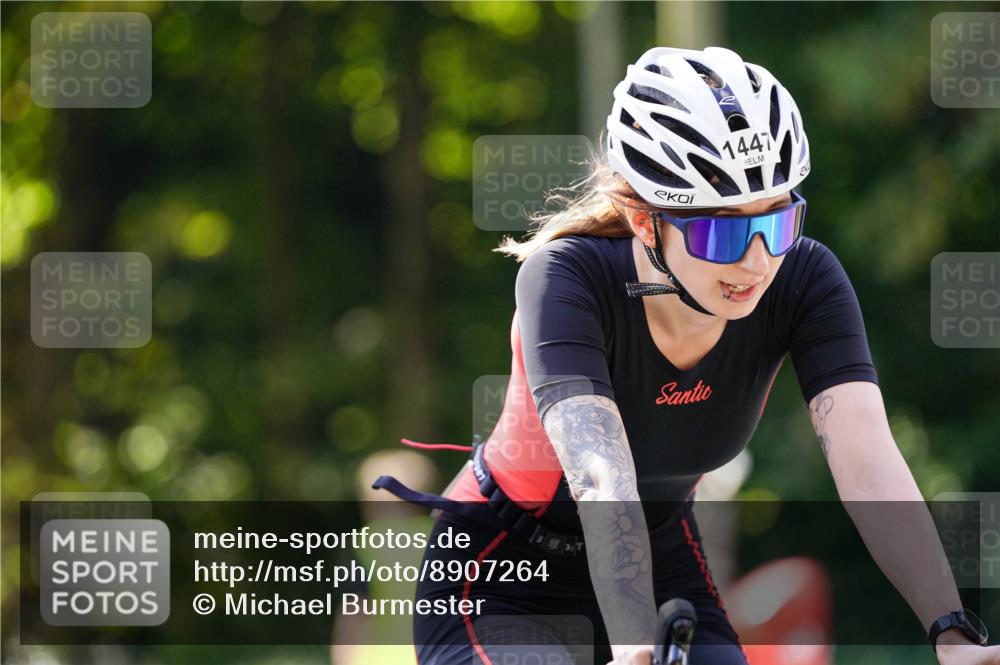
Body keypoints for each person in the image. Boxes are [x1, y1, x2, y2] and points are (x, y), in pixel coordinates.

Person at [372, 46, 997, 665]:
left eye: (777, 223)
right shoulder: (565, 278)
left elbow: (869, 464)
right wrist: (634, 646)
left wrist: (951, 634)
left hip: (663, 555)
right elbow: (600, 476)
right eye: (724, 232)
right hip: (505, 575)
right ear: (645, 221)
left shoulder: (805, 279)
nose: (757, 262)